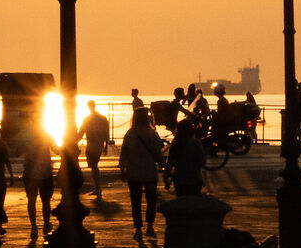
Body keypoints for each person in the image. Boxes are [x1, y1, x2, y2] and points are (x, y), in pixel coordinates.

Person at [118, 108, 164, 236]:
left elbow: (124, 154)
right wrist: (163, 166)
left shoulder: (129, 134)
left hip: (133, 172)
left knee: (135, 201)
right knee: (151, 199)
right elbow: (157, 153)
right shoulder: (152, 134)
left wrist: (122, 169)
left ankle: (138, 229)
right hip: (149, 171)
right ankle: (150, 226)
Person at [21, 125, 55, 240]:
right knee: (46, 201)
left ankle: (34, 227)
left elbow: (17, 151)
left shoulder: (26, 135)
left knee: (31, 200)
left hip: (30, 173)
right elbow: (56, 149)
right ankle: (46, 224)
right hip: (45, 173)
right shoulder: (46, 134)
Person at [165, 115, 207, 196]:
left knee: (181, 203)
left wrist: (166, 176)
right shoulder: (196, 143)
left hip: (179, 179)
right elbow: (202, 162)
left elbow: (170, 162)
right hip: (194, 178)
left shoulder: (175, 144)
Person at [79, 98, 111, 196]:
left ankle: (97, 188)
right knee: (94, 166)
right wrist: (105, 146)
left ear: (89, 107)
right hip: (99, 144)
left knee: (93, 167)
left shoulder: (87, 119)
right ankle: (97, 187)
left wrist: (74, 142)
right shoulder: (103, 118)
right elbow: (106, 132)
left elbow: (81, 132)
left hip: (91, 145)